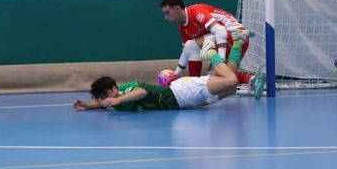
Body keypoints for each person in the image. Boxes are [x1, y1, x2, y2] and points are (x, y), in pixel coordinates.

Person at [158, 0, 265, 98]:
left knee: (192, 46)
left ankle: (193, 84)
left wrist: (221, 60)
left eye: (167, 13)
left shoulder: (196, 12)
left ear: (177, 8)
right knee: (218, 78)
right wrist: (175, 75)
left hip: (234, 33)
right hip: (233, 41)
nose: (166, 17)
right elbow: (186, 52)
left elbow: (220, 30)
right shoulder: (183, 29)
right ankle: (252, 79)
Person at [73, 45, 238, 111]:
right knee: (231, 89)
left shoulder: (125, 90)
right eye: (101, 98)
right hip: (186, 102)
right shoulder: (112, 99)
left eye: (104, 95)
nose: (104, 100)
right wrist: (87, 105)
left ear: (114, 89)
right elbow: (102, 102)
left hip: (183, 92)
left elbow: (141, 92)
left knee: (231, 81)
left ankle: (210, 52)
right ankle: (237, 42)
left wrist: (117, 100)